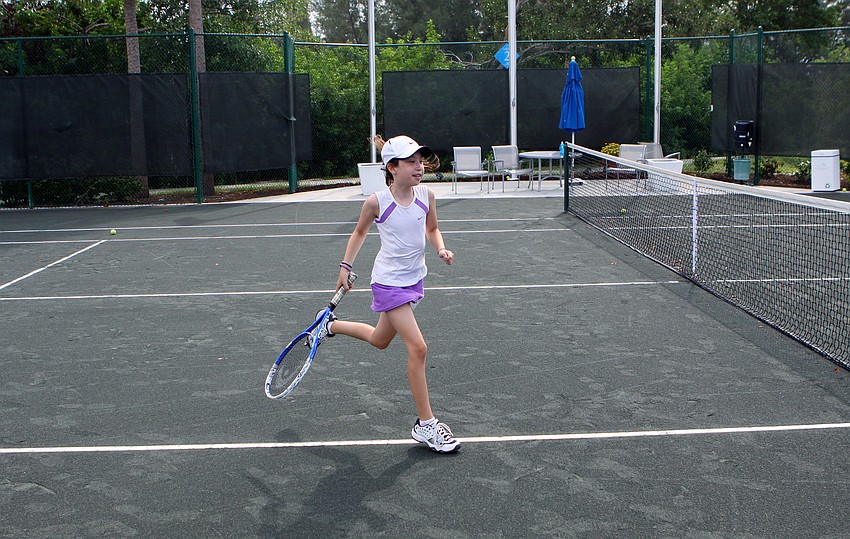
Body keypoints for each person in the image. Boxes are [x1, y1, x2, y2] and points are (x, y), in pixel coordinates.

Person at [310, 134, 460, 454]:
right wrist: (344, 265)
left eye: (420, 161)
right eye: (411, 162)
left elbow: (431, 229)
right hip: (389, 283)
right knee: (418, 348)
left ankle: (328, 325)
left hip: (413, 280)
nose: (419, 167)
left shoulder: (427, 196)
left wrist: (441, 248)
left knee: (380, 339)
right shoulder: (378, 202)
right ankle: (425, 424)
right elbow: (360, 231)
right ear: (392, 168)